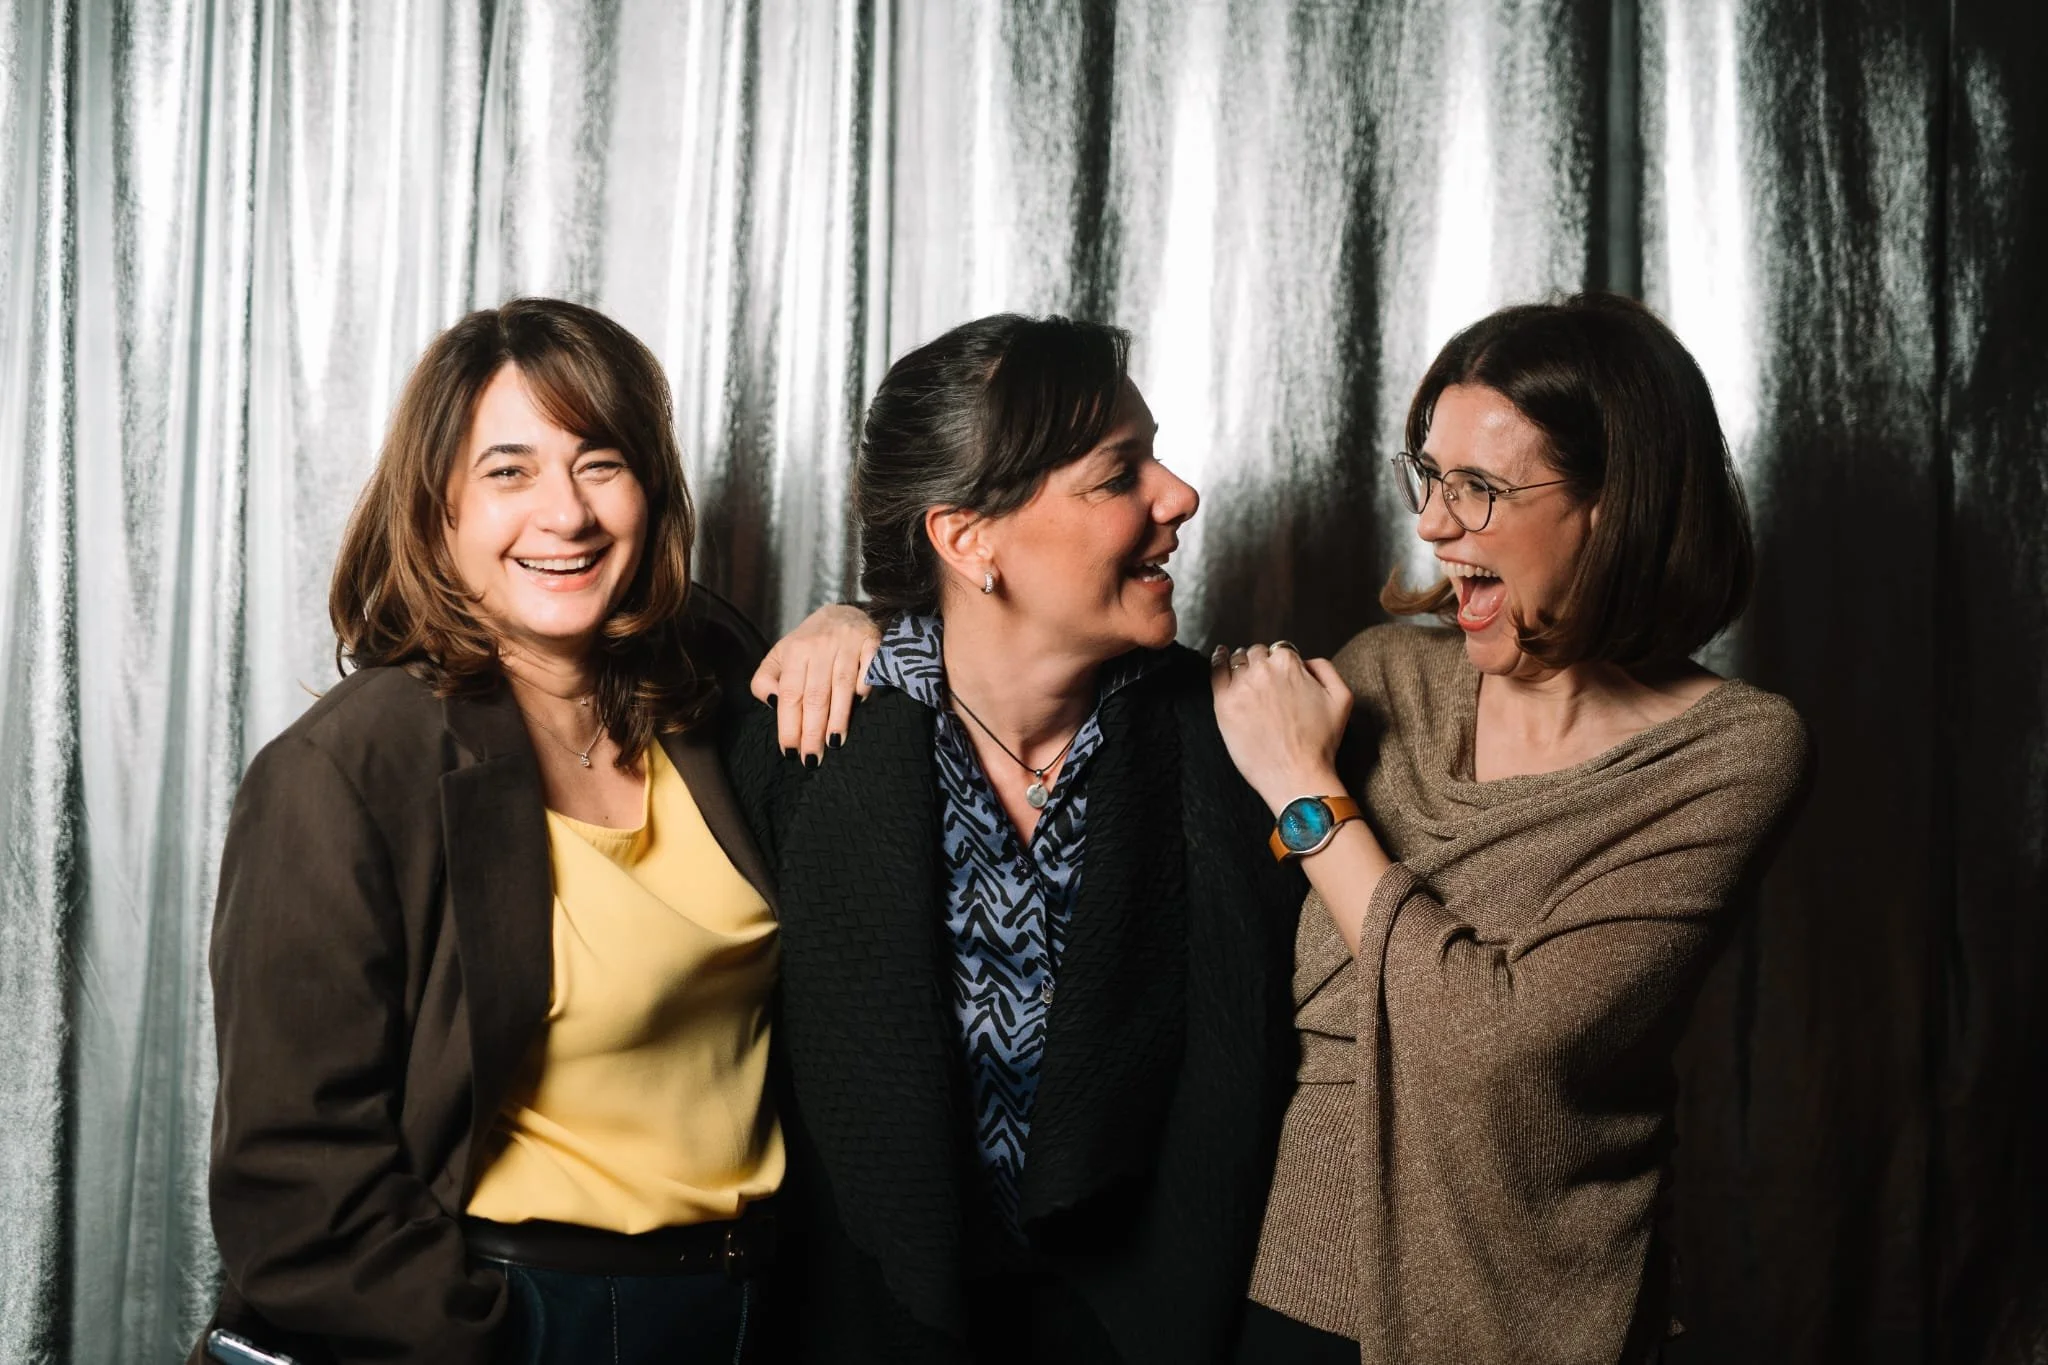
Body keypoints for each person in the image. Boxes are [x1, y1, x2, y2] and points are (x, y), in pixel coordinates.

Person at [193, 297, 869, 1365]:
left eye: (600, 463)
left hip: (753, 1309)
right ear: (437, 510)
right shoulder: (346, 770)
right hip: (520, 1315)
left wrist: (863, 620)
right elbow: (295, 1178)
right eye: (509, 470)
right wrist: (484, 1344)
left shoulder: (710, 692)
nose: (567, 514)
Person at [1210, 293, 1810, 1365]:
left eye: (1478, 489)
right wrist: (880, 634)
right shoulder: (1383, 679)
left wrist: (1311, 801)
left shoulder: (1728, 754)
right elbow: (1110, 732)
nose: (1434, 524)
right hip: (1291, 1295)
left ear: (1611, 507)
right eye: (1429, 478)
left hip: (1542, 1315)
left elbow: (1502, 1052)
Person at [725, 313, 1305, 1364]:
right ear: (966, 539)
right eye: (1115, 473)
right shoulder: (803, 747)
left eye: (1154, 457)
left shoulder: (1237, 744)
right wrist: (846, 624)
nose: (1178, 495)